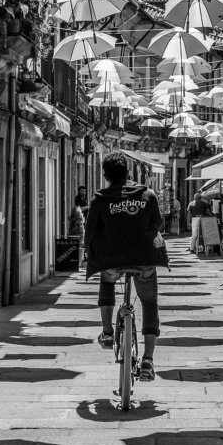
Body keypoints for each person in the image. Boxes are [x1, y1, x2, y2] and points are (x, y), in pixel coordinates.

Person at [84, 152, 165, 382]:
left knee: (107, 279)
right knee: (149, 303)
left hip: (112, 260)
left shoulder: (100, 199)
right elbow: (158, 223)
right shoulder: (147, 194)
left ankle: (108, 332)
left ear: (106, 175)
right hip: (144, 260)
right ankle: (148, 361)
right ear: (128, 171)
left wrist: (88, 253)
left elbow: (89, 232)